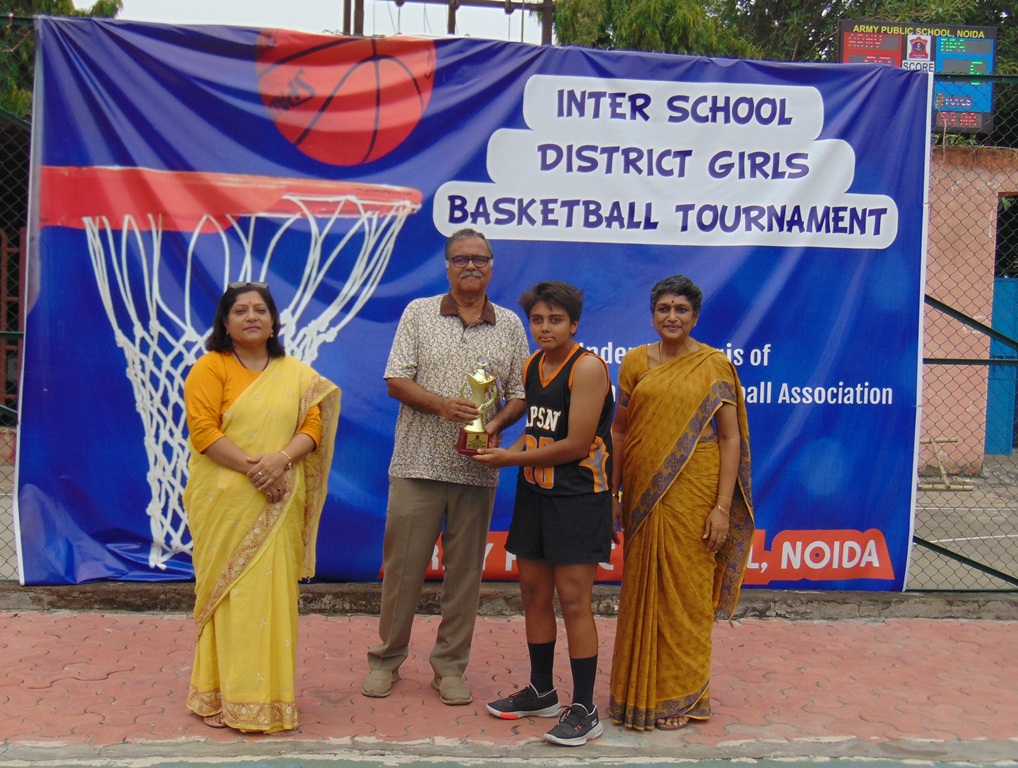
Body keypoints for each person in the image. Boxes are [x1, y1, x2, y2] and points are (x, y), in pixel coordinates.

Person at [362, 228, 530, 706]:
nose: (470, 266)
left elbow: (520, 395)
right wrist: (443, 406)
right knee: (402, 572)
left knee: (464, 577)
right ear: (447, 266)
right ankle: (386, 660)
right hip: (416, 465)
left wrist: (493, 424)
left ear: (492, 266)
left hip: (477, 469)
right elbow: (396, 380)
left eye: (479, 258)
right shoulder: (419, 313)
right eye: (460, 259)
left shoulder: (510, 325)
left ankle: (451, 668)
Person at [183, 281, 341, 733]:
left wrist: (281, 460)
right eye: (240, 311)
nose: (251, 317)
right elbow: (204, 432)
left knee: (271, 601)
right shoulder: (210, 368)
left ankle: (269, 700)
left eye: (260, 310)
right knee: (229, 597)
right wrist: (259, 470)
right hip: (226, 500)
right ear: (225, 322)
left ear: (273, 321)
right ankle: (221, 696)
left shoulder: (297, 374)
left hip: (280, 499)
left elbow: (312, 428)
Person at [608, 274, 753, 732]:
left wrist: (721, 508)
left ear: (695, 316)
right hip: (643, 494)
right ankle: (637, 693)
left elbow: (729, 438)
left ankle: (683, 694)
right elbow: (619, 430)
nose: (672, 316)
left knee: (687, 595)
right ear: (652, 314)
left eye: (681, 309)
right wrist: (614, 492)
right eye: (664, 309)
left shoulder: (713, 365)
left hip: (696, 493)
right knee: (643, 591)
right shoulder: (634, 361)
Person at [474, 281, 614, 747]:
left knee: (573, 600)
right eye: (537, 319)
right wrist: (500, 451)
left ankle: (586, 709)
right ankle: (541, 691)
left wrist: (507, 461)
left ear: (574, 324)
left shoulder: (587, 368)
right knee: (533, 593)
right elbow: (535, 431)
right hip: (535, 495)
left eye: (556, 319)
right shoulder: (533, 364)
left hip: (579, 498)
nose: (545, 327)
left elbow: (575, 444)